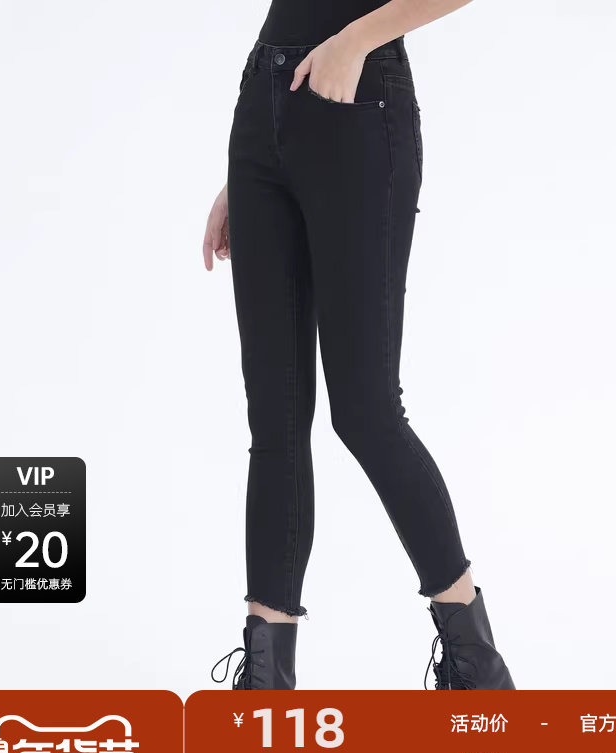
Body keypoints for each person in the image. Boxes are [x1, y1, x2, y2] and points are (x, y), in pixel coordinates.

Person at [204, 0, 515, 690]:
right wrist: (248, 172)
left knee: (367, 412)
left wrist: (356, 41)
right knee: (276, 420)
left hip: (358, 101)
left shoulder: (358, 55)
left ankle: (475, 662)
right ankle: (266, 679)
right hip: (264, 113)